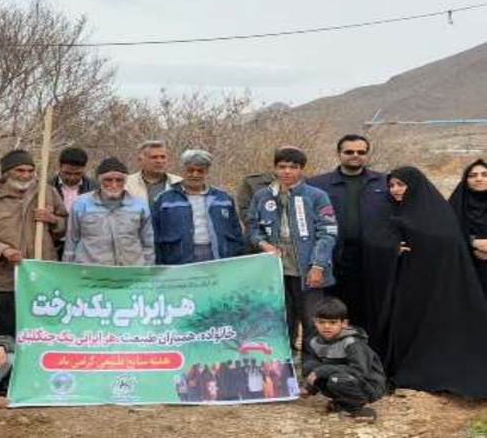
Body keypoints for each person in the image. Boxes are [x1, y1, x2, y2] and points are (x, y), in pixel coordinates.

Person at [381, 166, 487, 397]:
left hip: (434, 285)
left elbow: (446, 243)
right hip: (404, 283)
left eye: (401, 184)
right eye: (391, 185)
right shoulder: (388, 210)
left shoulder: (436, 213)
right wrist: (390, 248)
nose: (396, 189)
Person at [0, 149, 66, 337]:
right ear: (6, 172)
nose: (26, 175)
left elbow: (65, 227)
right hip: (6, 279)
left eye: (30, 170)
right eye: (20, 170)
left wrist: (52, 219)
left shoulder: (46, 192)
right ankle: (9, 366)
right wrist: (2, 250)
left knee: (44, 332)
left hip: (42, 277)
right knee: (7, 334)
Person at [247, 147, 337, 355]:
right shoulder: (262, 195)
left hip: (308, 266)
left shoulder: (317, 196)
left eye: (293, 167)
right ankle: (284, 370)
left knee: (311, 319)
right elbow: (252, 227)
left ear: (302, 169)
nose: (287, 172)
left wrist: (318, 265)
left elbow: (328, 232)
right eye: (282, 167)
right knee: (280, 318)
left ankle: (311, 369)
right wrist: (263, 244)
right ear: (275, 169)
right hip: (275, 266)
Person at [307, 134, 394, 339]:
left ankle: (371, 357)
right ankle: (337, 356)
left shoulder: (384, 182)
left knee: (373, 307)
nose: (355, 156)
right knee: (335, 310)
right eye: (349, 152)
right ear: (338, 154)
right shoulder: (317, 184)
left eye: (361, 152)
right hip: (334, 258)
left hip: (373, 258)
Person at [152, 150, 244, 264]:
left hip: (218, 256)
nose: (195, 175)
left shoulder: (223, 198)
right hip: (178, 258)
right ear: (183, 170)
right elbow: (154, 235)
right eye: (190, 170)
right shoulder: (164, 199)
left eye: (200, 171)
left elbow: (236, 232)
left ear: (206, 172)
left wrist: (238, 258)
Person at [302, 297, 385, 422]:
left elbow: (359, 371)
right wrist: (309, 388)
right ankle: (343, 403)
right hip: (342, 378)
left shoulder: (352, 343)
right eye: (321, 322)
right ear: (315, 322)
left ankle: (359, 409)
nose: (326, 326)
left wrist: (323, 371)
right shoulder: (315, 342)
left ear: (343, 323)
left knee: (335, 379)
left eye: (333, 322)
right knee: (309, 366)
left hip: (369, 385)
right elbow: (320, 368)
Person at [63, 157, 153, 265]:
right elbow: (71, 242)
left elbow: (148, 243)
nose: (114, 185)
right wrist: (68, 270)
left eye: (119, 180)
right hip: (91, 270)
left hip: (130, 270)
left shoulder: (139, 205)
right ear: (99, 180)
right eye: (108, 180)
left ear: (125, 181)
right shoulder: (81, 204)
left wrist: (147, 271)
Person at [50, 147, 98, 259]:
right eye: (67, 173)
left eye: (77, 174)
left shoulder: (95, 189)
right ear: (59, 167)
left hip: (83, 247)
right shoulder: (45, 187)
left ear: (84, 168)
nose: (71, 177)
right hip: (53, 245)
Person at [449, 158, 487, 297]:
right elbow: (447, 231)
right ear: (465, 179)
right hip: (466, 267)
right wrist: (472, 243)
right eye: (472, 175)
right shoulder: (457, 203)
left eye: (484, 174)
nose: (479, 179)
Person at [125, 140, 182, 206]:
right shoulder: (127, 184)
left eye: (163, 157)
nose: (159, 161)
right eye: (154, 157)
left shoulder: (179, 183)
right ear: (141, 160)